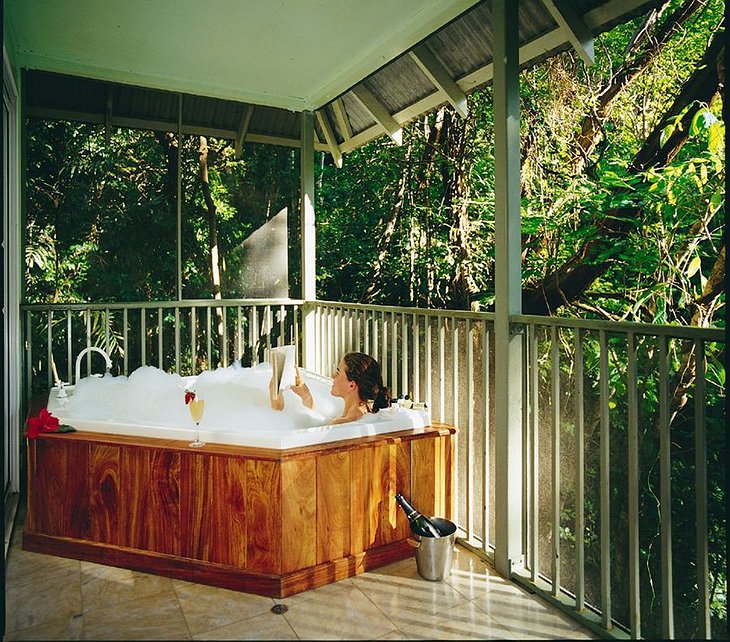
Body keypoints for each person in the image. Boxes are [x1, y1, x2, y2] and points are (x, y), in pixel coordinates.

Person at [269, 352, 391, 425]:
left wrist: (275, 394)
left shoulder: (342, 424)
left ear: (352, 385)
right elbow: (317, 422)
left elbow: (296, 431)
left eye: (338, 372)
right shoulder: (367, 412)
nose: (333, 375)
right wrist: (306, 396)